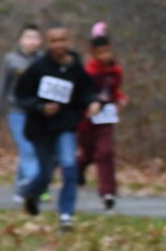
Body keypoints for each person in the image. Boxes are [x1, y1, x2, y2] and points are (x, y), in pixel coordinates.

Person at [14, 26, 101, 231]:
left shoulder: (75, 67)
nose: (59, 45)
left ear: (68, 41)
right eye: (54, 41)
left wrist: (93, 102)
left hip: (65, 126)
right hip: (41, 128)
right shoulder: (38, 68)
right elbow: (21, 96)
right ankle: (31, 192)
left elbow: (86, 91)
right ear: (48, 43)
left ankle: (66, 215)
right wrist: (41, 107)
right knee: (46, 174)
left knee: (69, 166)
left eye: (62, 40)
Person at [77, 22, 129, 210]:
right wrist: (87, 106)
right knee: (88, 154)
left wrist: (120, 98)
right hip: (86, 120)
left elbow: (114, 91)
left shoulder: (116, 71)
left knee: (105, 152)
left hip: (106, 118)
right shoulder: (88, 72)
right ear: (93, 53)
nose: (104, 56)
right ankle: (76, 171)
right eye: (100, 53)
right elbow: (80, 94)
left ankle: (107, 191)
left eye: (107, 51)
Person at [0, 24, 43, 201]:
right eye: (28, 37)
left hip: (37, 113)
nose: (32, 41)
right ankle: (35, 187)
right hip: (17, 112)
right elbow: (2, 89)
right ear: (20, 39)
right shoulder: (11, 60)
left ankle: (21, 187)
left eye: (35, 37)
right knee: (28, 149)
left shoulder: (43, 60)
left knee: (32, 150)